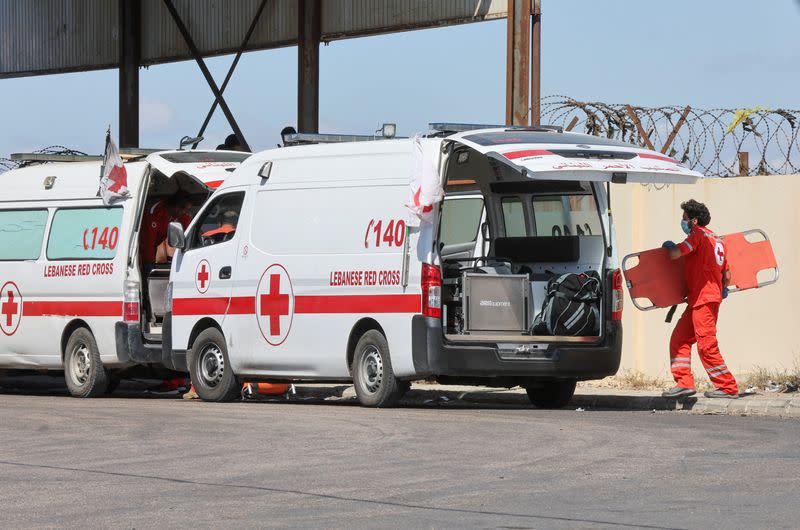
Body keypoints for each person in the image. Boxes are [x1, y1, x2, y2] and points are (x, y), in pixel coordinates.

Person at [661, 199, 739, 399]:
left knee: (706, 345)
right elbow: (727, 276)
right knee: (679, 339)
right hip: (701, 300)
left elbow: (676, 254)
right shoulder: (718, 239)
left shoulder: (697, 235)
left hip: (703, 300)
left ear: (694, 221)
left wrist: (669, 247)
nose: (683, 222)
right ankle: (684, 383)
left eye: (685, 219)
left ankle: (727, 387)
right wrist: (721, 289)